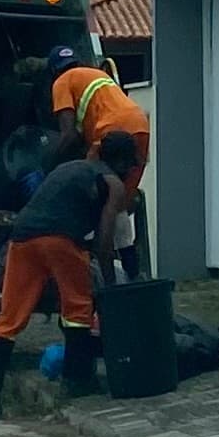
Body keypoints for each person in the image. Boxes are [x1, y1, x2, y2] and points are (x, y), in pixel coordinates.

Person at [0, 131, 139, 419]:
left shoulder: (69, 168)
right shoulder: (113, 184)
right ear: (121, 161)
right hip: (62, 239)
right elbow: (104, 242)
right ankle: (76, 382)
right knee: (78, 308)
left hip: (22, 237)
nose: (131, 171)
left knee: (11, 316)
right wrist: (110, 290)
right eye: (130, 164)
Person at [44, 45, 150, 279]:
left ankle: (94, 265)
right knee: (119, 200)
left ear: (54, 70)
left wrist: (48, 168)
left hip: (109, 131)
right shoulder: (97, 74)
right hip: (139, 125)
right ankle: (133, 274)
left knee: (90, 192)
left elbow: (69, 135)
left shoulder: (62, 81)